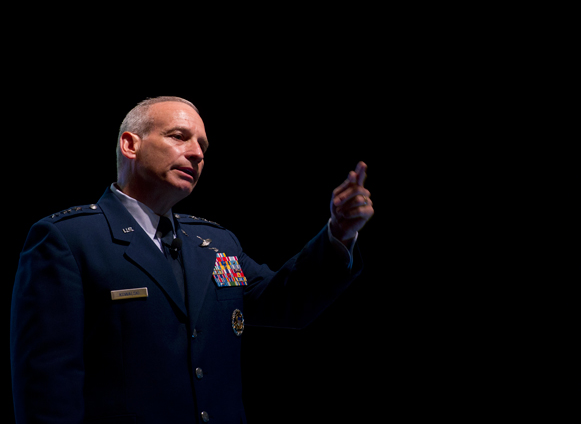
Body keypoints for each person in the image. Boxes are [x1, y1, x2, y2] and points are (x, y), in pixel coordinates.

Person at [10, 96, 374, 424]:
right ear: (130, 144)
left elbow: (284, 302)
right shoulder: (68, 239)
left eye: (203, 145)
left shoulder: (216, 243)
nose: (197, 153)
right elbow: (47, 385)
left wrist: (338, 234)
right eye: (179, 136)